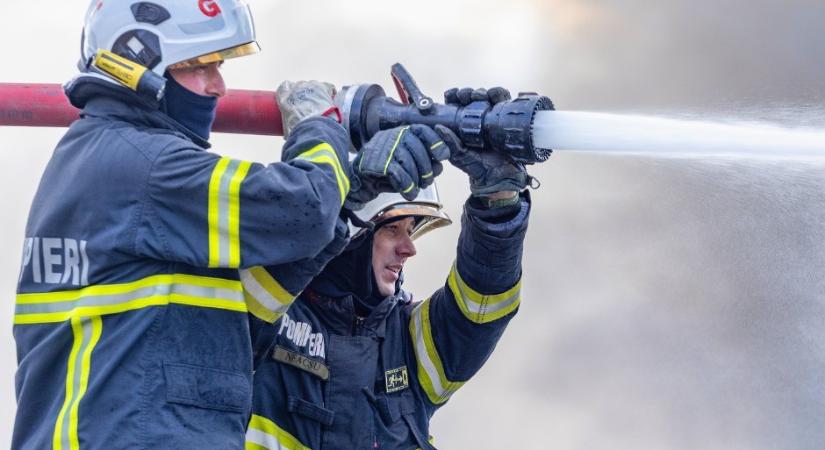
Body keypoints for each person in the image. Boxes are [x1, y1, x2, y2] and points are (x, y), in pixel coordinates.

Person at [12, 1, 446, 449]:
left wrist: (349, 197)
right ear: (136, 62)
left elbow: (240, 317)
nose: (219, 87)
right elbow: (305, 207)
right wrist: (321, 125)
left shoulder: (104, 162)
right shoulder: (149, 167)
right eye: (200, 66)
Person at [245, 88, 536, 449]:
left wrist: (499, 204)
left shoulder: (408, 338)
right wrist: (324, 152)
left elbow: (483, 305)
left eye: (411, 231)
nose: (409, 248)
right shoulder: (268, 315)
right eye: (392, 230)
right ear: (354, 237)